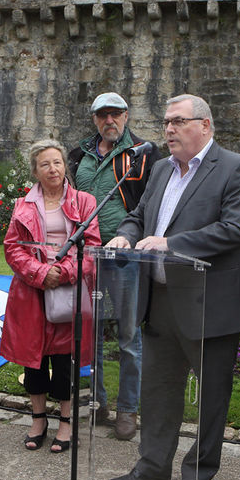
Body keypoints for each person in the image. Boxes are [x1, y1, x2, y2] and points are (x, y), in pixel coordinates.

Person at [104, 94, 240, 480]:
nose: (168, 129)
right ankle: (153, 465)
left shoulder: (236, 168)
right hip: (159, 301)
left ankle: (197, 476)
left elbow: (235, 229)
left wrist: (172, 243)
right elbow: (139, 215)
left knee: (210, 399)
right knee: (157, 392)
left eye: (178, 121)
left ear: (204, 125)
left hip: (211, 304)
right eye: (166, 122)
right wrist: (125, 232)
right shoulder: (159, 169)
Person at [66, 92, 159, 441]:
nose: (110, 121)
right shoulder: (79, 155)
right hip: (87, 257)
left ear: (126, 116)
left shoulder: (143, 154)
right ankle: (98, 403)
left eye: (116, 115)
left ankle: (128, 409)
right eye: (103, 115)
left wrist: (135, 238)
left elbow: (151, 202)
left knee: (129, 337)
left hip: (125, 258)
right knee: (92, 336)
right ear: (94, 119)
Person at [1, 140, 101, 453]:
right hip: (32, 294)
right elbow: (12, 248)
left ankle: (67, 422)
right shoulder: (23, 205)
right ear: (35, 171)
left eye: (57, 162)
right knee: (35, 359)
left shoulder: (84, 202)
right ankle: (38, 418)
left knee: (65, 359)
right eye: (45, 164)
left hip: (68, 291)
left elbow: (93, 247)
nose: (53, 169)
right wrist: (41, 273)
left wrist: (66, 273)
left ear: (64, 166)